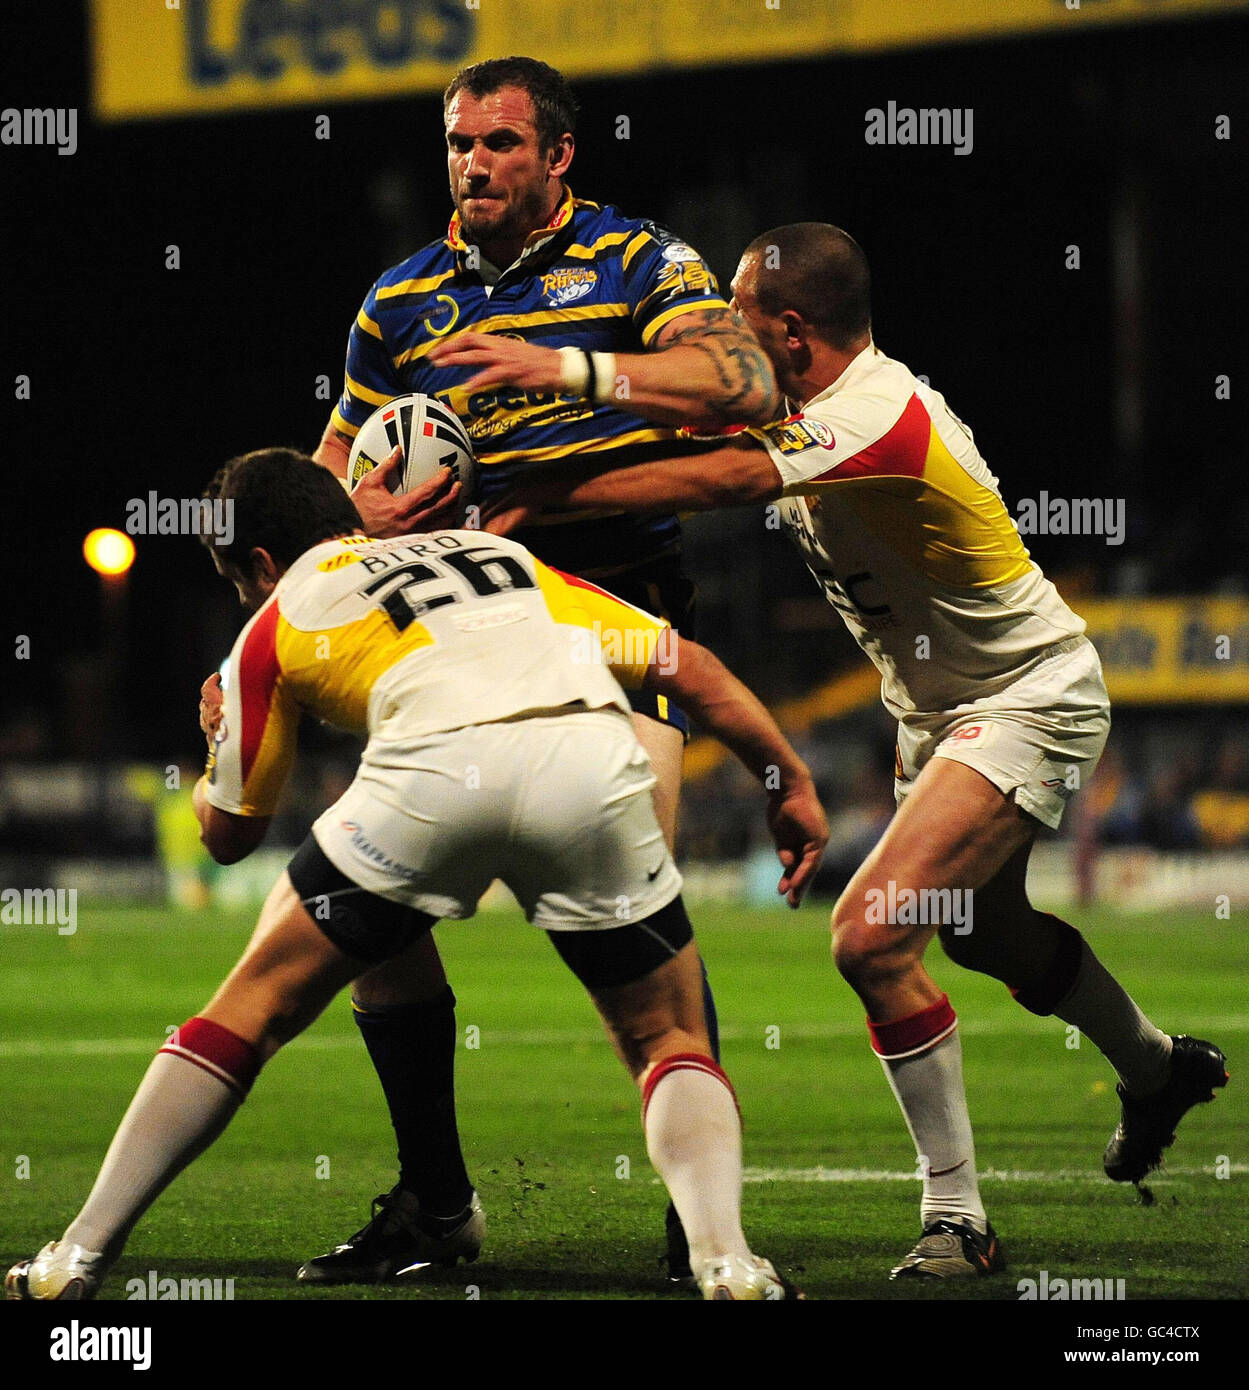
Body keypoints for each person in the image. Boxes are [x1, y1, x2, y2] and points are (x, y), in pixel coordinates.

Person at [481, 222, 1229, 1279]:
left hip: (1025, 697)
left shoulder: (875, 411)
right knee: (979, 934)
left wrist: (542, 493)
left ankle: (958, 1219)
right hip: (933, 715)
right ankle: (1157, 1069)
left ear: (787, 333)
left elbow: (727, 481)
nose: (712, 341)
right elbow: (691, 435)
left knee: (871, 938)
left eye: (729, 321)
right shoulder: (805, 407)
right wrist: (542, 439)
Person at [5, 448, 826, 1303]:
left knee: (248, 1012)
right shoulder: (503, 560)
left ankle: (77, 1258)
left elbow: (227, 839)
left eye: (236, 579)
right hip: (588, 764)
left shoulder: (275, 618)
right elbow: (683, 666)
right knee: (666, 1039)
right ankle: (726, 1265)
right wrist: (788, 780)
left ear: (255, 563)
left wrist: (217, 736)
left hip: (430, 784)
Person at [308, 54, 781, 1282]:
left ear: (558, 155)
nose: (473, 164)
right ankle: (435, 1201)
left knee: (644, 921)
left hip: (615, 625)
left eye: (500, 144)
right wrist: (288, 601)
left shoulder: (636, 262)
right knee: (363, 917)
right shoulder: (398, 299)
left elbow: (743, 380)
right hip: (452, 641)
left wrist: (568, 371)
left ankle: (698, 1231)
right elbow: (335, 484)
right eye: (460, 143)